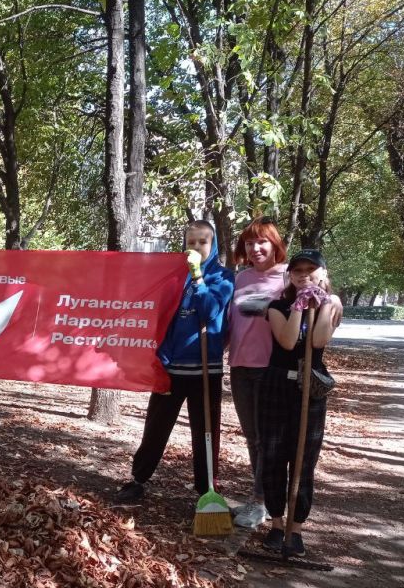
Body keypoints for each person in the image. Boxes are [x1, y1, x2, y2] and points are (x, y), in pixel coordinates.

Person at [115, 220, 235, 503]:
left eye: (202, 242)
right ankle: (138, 479)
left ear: (213, 244)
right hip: (171, 367)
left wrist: (198, 278)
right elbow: (161, 316)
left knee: (205, 431)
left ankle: (206, 490)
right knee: (156, 427)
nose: (195, 248)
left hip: (206, 368)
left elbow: (210, 310)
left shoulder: (224, 277)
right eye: (191, 242)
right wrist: (162, 354)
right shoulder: (172, 275)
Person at [258, 249, 343, 557]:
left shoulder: (332, 305)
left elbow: (318, 341)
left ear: (323, 272)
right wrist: (298, 305)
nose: (304, 274)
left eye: (311, 269)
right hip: (277, 384)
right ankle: (277, 524)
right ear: (290, 275)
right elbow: (287, 340)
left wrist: (321, 304)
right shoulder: (277, 306)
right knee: (273, 455)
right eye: (298, 270)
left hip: (311, 386)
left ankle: (296, 529)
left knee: (304, 458)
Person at [226, 217, 288, 527]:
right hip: (240, 368)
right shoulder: (239, 279)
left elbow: (319, 301)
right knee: (252, 438)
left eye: (262, 241)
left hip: (270, 370)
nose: (255, 247)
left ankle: (263, 501)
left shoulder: (288, 279)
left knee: (267, 440)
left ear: (275, 244)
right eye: (250, 243)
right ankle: (259, 499)